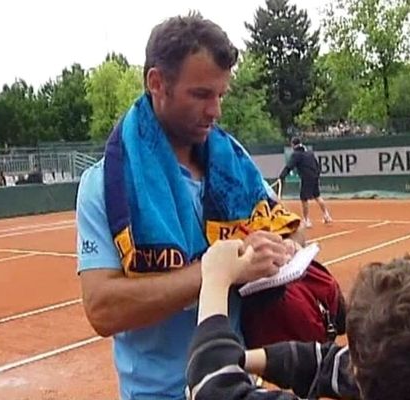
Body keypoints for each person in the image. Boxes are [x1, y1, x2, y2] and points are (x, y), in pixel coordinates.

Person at [75, 13, 304, 400]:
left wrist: (273, 251)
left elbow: (293, 231)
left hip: (235, 383)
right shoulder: (106, 185)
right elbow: (102, 309)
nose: (215, 111)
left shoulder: (232, 164)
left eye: (220, 95)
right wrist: (219, 271)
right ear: (157, 83)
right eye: (200, 94)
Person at [187, 244, 410, 400]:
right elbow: (331, 362)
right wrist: (248, 359)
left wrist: (215, 278)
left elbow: (212, 386)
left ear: (361, 375)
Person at [278, 136, 332, 228]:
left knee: (304, 199)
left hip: (306, 178)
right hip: (314, 176)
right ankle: (327, 215)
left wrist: (281, 176)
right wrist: (316, 175)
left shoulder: (296, 155)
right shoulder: (309, 153)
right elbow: (317, 166)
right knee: (317, 196)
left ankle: (307, 220)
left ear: (293, 145)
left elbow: (289, 166)